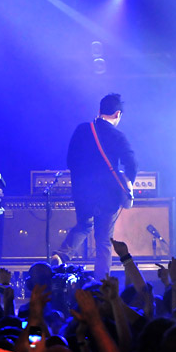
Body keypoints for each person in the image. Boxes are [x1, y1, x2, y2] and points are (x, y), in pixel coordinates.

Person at [53, 93, 137, 280]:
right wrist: (128, 183)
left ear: (99, 111)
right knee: (104, 241)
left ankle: (60, 256)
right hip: (108, 196)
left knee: (83, 225)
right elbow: (132, 163)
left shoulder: (82, 130)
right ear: (117, 114)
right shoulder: (117, 136)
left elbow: (70, 161)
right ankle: (101, 283)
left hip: (82, 192)